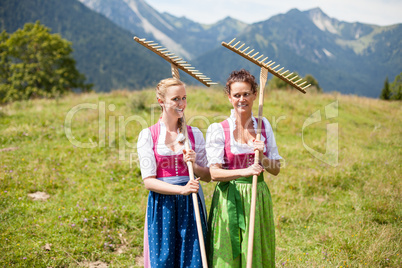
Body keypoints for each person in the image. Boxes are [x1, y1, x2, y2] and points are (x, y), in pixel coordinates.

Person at [206, 69, 281, 267]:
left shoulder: (263, 126)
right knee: (228, 254)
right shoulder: (218, 129)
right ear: (229, 97)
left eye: (246, 94)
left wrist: (262, 156)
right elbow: (214, 173)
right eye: (237, 95)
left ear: (255, 95)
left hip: (257, 196)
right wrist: (245, 171)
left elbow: (276, 169)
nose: (242, 99)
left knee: (255, 251)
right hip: (229, 198)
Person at [137, 78, 211, 268]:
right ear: (161, 101)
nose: (181, 104)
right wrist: (180, 190)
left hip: (191, 203)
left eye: (184, 98)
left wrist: (193, 166)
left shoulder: (194, 134)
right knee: (163, 259)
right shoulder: (149, 135)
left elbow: (209, 176)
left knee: (193, 259)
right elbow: (149, 182)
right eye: (175, 99)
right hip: (163, 205)